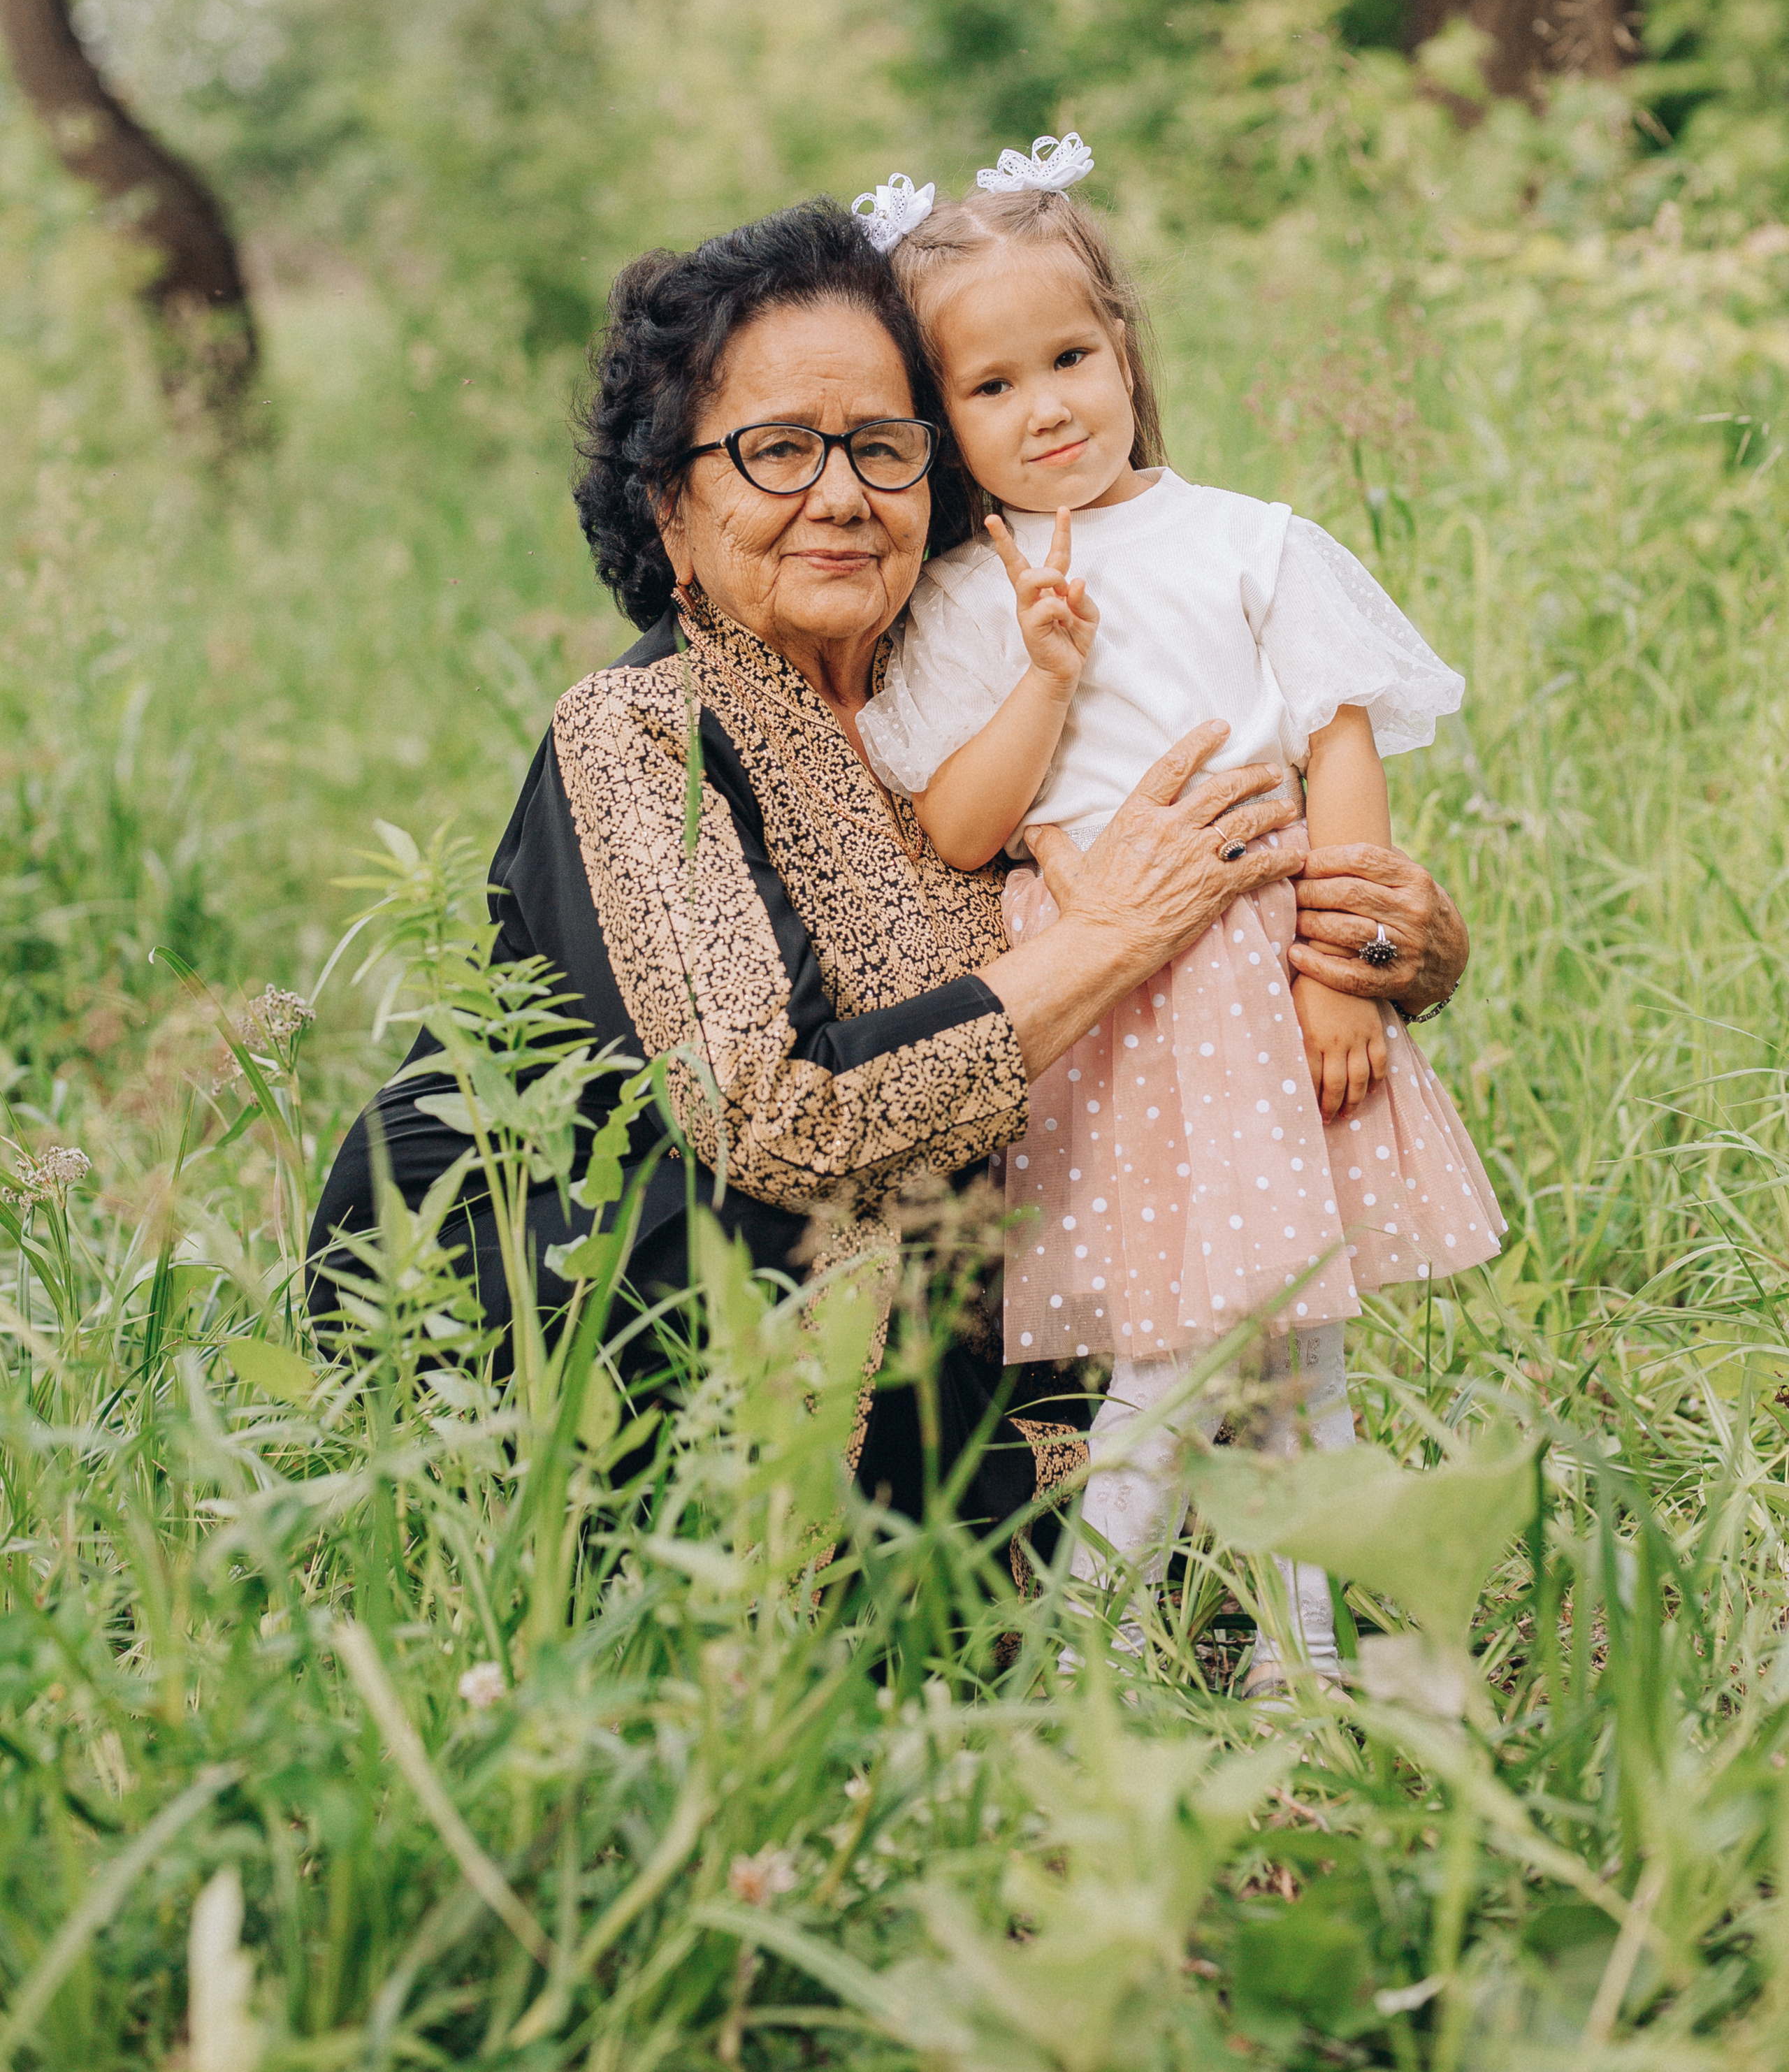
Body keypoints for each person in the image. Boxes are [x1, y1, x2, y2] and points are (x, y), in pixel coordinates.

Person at [307, 194, 1473, 1574]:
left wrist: (1375, 950)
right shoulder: (639, 736)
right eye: (776, 452)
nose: (842, 493)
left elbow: (1216, 942)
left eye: (879, 446)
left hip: (939, 1314)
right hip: (600, 1324)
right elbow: (768, 1121)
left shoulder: (996, 693)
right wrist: (1100, 939)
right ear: (670, 507)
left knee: (1176, 1515)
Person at [853, 137, 1504, 1684]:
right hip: (1109, 1014)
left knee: (1300, 1353)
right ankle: (1086, 1657)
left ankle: (1306, 1658)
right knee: (1163, 1341)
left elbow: (1334, 744)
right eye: (991, 388)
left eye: (1069, 356)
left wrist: (1339, 974)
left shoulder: (1245, 543)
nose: (1048, 407)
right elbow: (957, 824)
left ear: (1125, 349)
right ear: (940, 423)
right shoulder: (963, 593)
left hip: (1264, 991)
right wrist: (1045, 675)